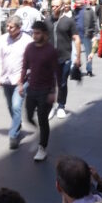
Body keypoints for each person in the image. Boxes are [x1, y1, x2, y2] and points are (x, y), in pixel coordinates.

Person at [19, 21, 60, 161]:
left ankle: (42, 148)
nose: (34, 35)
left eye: (37, 33)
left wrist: (53, 92)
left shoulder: (50, 51)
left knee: (43, 119)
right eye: (33, 32)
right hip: (32, 88)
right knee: (28, 116)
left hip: (46, 90)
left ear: (45, 34)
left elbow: (56, 72)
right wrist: (20, 83)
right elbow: (24, 66)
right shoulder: (29, 48)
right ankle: (39, 133)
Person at [0, 16, 32, 149]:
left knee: (16, 106)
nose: (8, 29)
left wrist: (28, 74)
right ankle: (17, 122)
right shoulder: (2, 39)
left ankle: (13, 135)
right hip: (6, 79)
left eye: (11, 27)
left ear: (19, 28)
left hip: (21, 80)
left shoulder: (27, 41)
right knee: (10, 106)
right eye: (7, 26)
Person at [45, 0, 81, 119]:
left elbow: (76, 38)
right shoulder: (47, 21)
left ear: (62, 7)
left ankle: (61, 106)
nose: (54, 8)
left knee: (62, 83)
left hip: (64, 58)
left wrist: (78, 58)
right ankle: (50, 107)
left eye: (56, 6)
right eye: (52, 6)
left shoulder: (69, 21)